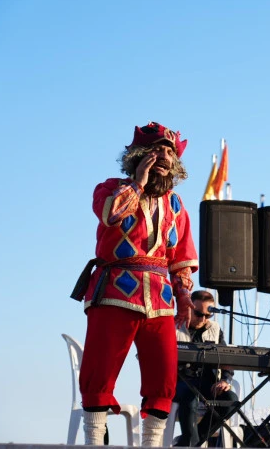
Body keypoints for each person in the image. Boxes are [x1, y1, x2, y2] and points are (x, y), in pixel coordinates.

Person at [72, 121, 199, 446]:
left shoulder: (176, 205)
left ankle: (151, 444)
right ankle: (93, 440)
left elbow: (181, 257)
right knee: (100, 369)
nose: (164, 157)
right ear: (138, 156)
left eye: (170, 152)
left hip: (160, 299)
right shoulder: (109, 188)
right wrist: (138, 184)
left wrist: (184, 295)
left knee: (164, 374)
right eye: (157, 150)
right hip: (114, 291)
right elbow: (110, 214)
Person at [174, 290, 239, 447]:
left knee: (231, 400)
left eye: (208, 315)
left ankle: (191, 442)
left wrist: (225, 380)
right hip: (180, 382)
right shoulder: (174, 326)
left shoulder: (215, 329)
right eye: (198, 314)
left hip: (207, 383)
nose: (203, 319)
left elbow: (225, 358)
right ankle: (192, 442)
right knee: (190, 398)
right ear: (188, 307)